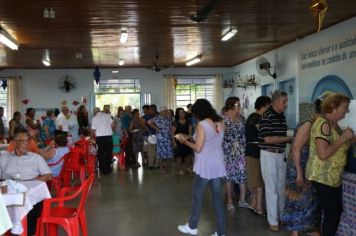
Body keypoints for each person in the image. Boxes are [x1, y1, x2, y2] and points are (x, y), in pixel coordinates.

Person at [306, 93, 354, 236]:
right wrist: (344, 138)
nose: (348, 110)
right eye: (345, 107)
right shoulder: (323, 124)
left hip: (332, 178)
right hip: (323, 178)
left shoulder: (333, 124)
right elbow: (323, 154)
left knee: (335, 213)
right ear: (334, 107)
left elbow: (337, 145)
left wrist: (349, 140)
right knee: (332, 215)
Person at [177, 99, 226, 236]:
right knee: (217, 200)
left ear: (199, 112)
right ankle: (221, 232)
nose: (193, 116)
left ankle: (192, 227)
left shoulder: (202, 124)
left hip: (205, 167)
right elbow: (210, 140)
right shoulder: (220, 122)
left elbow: (198, 148)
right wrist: (190, 137)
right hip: (218, 165)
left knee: (197, 197)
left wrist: (185, 141)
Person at [281, 99, 323, 236]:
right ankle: (299, 231)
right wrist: (299, 172)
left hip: (301, 167)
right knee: (301, 202)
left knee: (299, 203)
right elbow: (296, 149)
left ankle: (297, 232)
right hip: (299, 168)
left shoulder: (312, 123)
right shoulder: (309, 125)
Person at [0, 128, 52, 235]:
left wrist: (33, 180)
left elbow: (48, 176)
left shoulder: (36, 158)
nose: (25, 144)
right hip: (8, 189)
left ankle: (24, 231)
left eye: (27, 141)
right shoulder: (4, 158)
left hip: (29, 194)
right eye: (21, 141)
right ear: (14, 142)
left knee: (27, 206)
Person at [259, 90, 292, 232]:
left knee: (281, 188)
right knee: (271, 188)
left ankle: (281, 216)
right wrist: (289, 138)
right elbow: (268, 139)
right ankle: (273, 220)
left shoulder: (282, 116)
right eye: (284, 101)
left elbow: (279, 136)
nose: (286, 104)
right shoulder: (267, 116)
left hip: (280, 155)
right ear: (277, 101)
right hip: (268, 155)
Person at [245, 96, 271, 216]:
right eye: (268, 106)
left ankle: (254, 203)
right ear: (264, 105)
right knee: (259, 181)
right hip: (254, 152)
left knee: (257, 180)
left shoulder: (253, 116)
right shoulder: (256, 118)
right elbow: (262, 132)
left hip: (252, 151)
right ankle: (259, 207)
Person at [222, 97, 249, 210]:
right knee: (229, 177)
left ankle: (242, 200)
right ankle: (229, 201)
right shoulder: (224, 119)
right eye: (238, 105)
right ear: (232, 105)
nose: (240, 107)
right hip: (228, 152)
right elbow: (221, 136)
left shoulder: (241, 118)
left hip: (240, 151)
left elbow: (244, 134)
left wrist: (243, 147)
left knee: (242, 175)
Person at [148, 106, 174, 172]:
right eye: (164, 111)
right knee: (161, 152)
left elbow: (170, 127)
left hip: (168, 136)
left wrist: (171, 134)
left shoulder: (168, 118)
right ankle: (161, 168)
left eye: (166, 111)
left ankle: (168, 166)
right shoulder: (157, 118)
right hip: (161, 137)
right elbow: (148, 122)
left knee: (168, 152)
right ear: (161, 112)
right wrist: (156, 128)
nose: (166, 112)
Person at [91, 108, 114, 174]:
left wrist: (91, 137)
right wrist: (109, 129)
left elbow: (93, 130)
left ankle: (103, 170)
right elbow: (113, 124)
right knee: (109, 153)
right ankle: (108, 168)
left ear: (95, 112)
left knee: (101, 154)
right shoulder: (107, 116)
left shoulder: (94, 118)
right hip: (109, 137)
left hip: (100, 138)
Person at [173, 107, 192, 175]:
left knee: (189, 155)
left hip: (186, 141)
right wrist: (174, 142)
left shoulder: (188, 121)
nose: (182, 114)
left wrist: (190, 139)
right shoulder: (176, 123)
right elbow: (172, 134)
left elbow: (190, 132)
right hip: (178, 141)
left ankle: (186, 167)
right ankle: (180, 169)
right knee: (179, 156)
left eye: (183, 112)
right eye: (180, 112)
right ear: (178, 114)